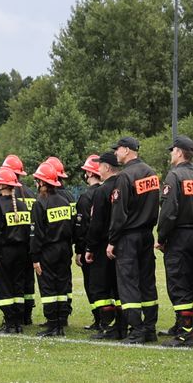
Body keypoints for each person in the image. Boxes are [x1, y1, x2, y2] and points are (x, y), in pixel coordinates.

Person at [105, 137, 161, 344]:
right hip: (147, 234)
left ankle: (136, 330)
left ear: (127, 150)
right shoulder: (151, 173)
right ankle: (149, 328)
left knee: (128, 284)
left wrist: (112, 240)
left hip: (128, 236)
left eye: (117, 150)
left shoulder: (125, 176)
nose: (116, 154)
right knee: (147, 283)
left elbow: (119, 213)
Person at [158, 135, 193, 344]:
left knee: (179, 282)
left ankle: (184, 333)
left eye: (173, 151)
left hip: (180, 235)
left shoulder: (175, 176)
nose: (171, 154)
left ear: (179, 152)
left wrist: (162, 237)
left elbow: (169, 211)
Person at [30, 157, 79, 336]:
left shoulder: (40, 203)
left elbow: (36, 234)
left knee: (49, 288)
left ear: (42, 182)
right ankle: (60, 323)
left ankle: (52, 325)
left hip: (47, 251)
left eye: (37, 180)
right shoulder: (64, 201)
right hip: (64, 249)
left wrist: (35, 258)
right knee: (61, 286)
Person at [0, 162, 36, 332]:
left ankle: (9, 323)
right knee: (18, 286)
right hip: (22, 252)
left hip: (5, 252)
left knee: (4, 287)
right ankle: (18, 322)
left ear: (1, 185)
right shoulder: (23, 205)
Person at [80, 153, 121, 338]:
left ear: (105, 167)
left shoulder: (101, 192)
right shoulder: (123, 186)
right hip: (120, 244)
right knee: (118, 287)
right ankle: (121, 324)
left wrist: (88, 248)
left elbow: (95, 224)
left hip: (102, 246)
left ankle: (107, 325)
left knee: (100, 288)